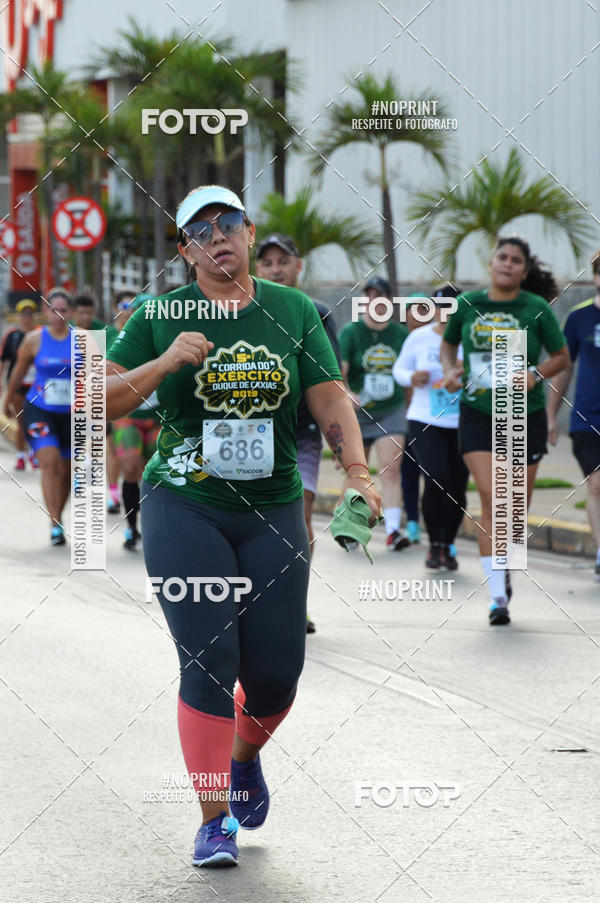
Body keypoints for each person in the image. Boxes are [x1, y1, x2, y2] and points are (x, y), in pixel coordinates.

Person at [105, 185, 381, 868]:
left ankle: (244, 756)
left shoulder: (292, 310)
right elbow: (96, 396)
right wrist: (165, 360)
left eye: (229, 224)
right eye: (201, 230)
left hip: (275, 508)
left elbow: (327, 395)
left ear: (251, 233)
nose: (217, 236)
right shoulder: (158, 313)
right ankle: (212, 821)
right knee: (208, 662)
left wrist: (359, 471)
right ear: (184, 249)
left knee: (278, 674)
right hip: (185, 502)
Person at [441, 236, 568, 625]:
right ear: (491, 263)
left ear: (524, 272)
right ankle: (497, 598)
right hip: (478, 412)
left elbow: (561, 357)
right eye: (502, 257)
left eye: (516, 260)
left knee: (514, 510)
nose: (507, 264)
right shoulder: (467, 305)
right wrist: (450, 370)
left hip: (520, 414)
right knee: (493, 499)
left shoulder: (534, 308)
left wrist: (533, 374)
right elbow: (448, 346)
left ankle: (504, 565)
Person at [255, 232, 342, 633]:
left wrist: (346, 450)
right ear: (257, 268)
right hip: (246, 432)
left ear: (298, 265)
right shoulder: (238, 310)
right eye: (268, 263)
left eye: (283, 261)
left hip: (300, 434)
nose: (276, 269)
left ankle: (295, 602)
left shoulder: (317, 312)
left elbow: (331, 385)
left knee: (297, 517)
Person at [394, 289, 468, 569]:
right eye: (441, 306)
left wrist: (466, 372)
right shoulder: (419, 338)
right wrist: (412, 376)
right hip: (425, 418)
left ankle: (448, 543)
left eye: (453, 306)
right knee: (436, 476)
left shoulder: (469, 340)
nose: (446, 311)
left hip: (461, 421)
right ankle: (434, 542)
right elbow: (398, 370)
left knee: (458, 485)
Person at [339, 276, 410, 549]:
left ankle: (393, 531)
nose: (374, 301)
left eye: (379, 296)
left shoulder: (400, 335)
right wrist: (347, 393)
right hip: (356, 413)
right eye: (369, 296)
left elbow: (406, 376)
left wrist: (408, 411)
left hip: (390, 411)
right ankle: (353, 528)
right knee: (357, 473)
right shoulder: (351, 332)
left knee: (390, 471)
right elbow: (340, 371)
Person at [4, 289, 73, 545]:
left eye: (63, 311)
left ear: (70, 313)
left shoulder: (83, 340)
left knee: (65, 472)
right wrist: (8, 401)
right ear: (46, 312)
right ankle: (54, 523)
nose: (58, 315)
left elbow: (96, 378)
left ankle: (59, 516)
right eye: (53, 310)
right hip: (39, 408)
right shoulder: (34, 339)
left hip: (71, 414)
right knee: (49, 462)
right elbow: (18, 372)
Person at [547, 251, 600, 582]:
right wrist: (552, 416)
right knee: (597, 484)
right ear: (595, 277)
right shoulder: (579, 319)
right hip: (588, 419)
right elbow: (563, 370)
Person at [112, 293, 161, 550]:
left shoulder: (167, 337)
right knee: (131, 467)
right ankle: (132, 528)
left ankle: (157, 527)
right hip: (128, 417)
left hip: (159, 416)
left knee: (160, 473)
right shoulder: (122, 340)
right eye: (139, 311)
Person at [73, 293, 122, 512]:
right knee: (79, 439)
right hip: (73, 396)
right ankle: (79, 476)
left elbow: (114, 361)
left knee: (109, 444)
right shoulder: (66, 331)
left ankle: (113, 494)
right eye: (80, 313)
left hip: (100, 395)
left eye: (88, 313)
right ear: (74, 313)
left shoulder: (106, 332)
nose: (85, 317)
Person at [0, 298, 39, 470]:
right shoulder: (12, 335)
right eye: (24, 313)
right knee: (22, 419)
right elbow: (3, 361)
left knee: (35, 421)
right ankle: (21, 455)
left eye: (30, 313)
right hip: (17, 386)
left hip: (37, 385)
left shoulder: (40, 334)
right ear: (20, 316)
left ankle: (33, 454)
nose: (27, 317)